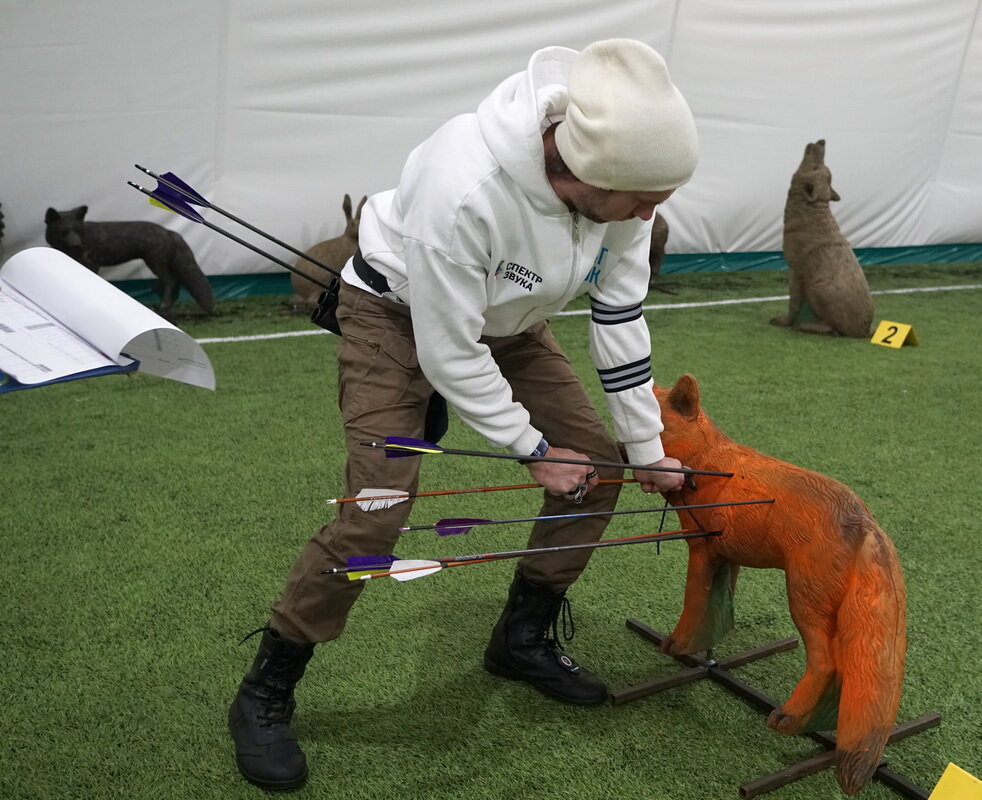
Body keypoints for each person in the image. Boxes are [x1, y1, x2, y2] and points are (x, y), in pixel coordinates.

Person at [228, 38, 700, 790]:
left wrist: (646, 447)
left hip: (511, 321)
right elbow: (448, 352)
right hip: (393, 316)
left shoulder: (628, 188)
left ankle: (521, 639)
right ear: (586, 169)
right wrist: (531, 448)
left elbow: (619, 317)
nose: (651, 213)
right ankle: (268, 686)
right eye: (643, 199)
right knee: (376, 513)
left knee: (601, 467)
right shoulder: (464, 185)